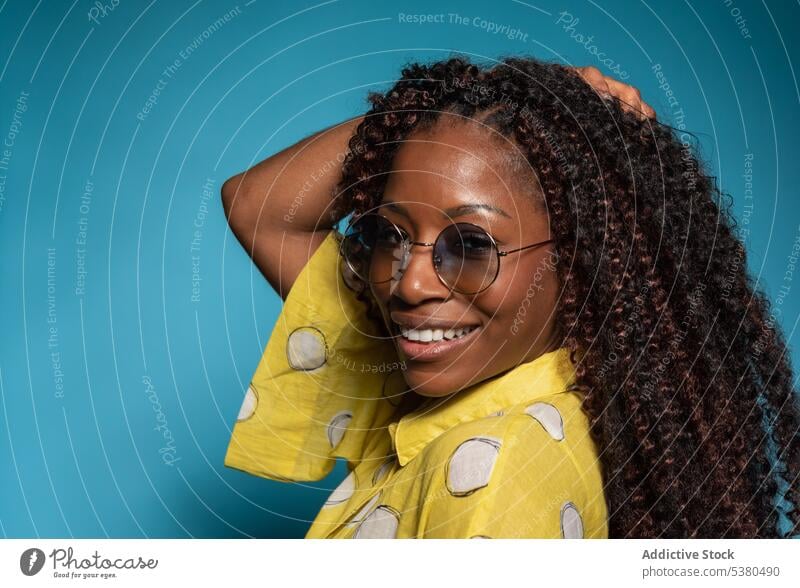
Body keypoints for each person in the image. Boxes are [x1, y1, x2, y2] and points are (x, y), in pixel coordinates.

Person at [221, 55, 799, 539]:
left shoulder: (492, 462)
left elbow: (261, 208)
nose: (411, 284)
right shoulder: (462, 384)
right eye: (389, 235)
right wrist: (452, 110)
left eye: (471, 245)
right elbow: (261, 206)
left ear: (575, 261)